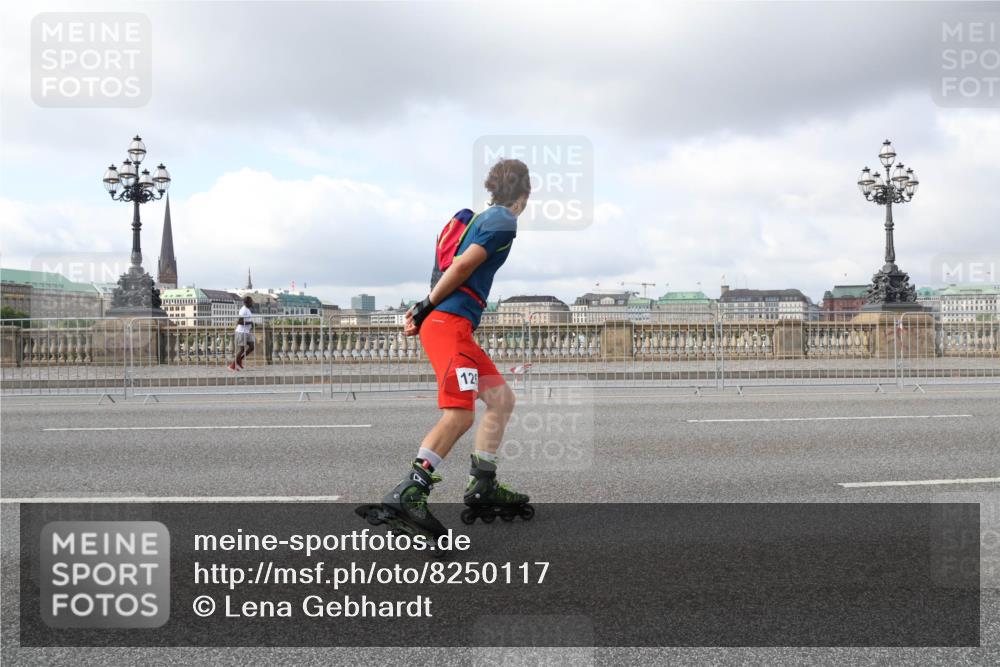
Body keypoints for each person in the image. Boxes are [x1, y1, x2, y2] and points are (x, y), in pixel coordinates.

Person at [377, 158, 534, 537]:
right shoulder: (502, 220)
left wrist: (423, 308)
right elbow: (463, 267)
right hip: (449, 326)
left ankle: (483, 483)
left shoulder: (476, 217)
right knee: (459, 415)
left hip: (453, 326)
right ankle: (410, 491)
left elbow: (446, 269)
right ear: (525, 194)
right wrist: (426, 307)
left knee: (501, 400)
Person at [229, 295, 256, 371]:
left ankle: (239, 360)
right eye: (251, 302)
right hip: (241, 332)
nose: (252, 303)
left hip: (246, 332)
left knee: (252, 347)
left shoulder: (248, 309)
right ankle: (233, 365)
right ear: (247, 303)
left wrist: (251, 323)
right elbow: (240, 322)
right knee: (241, 349)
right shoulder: (243, 310)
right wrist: (250, 323)